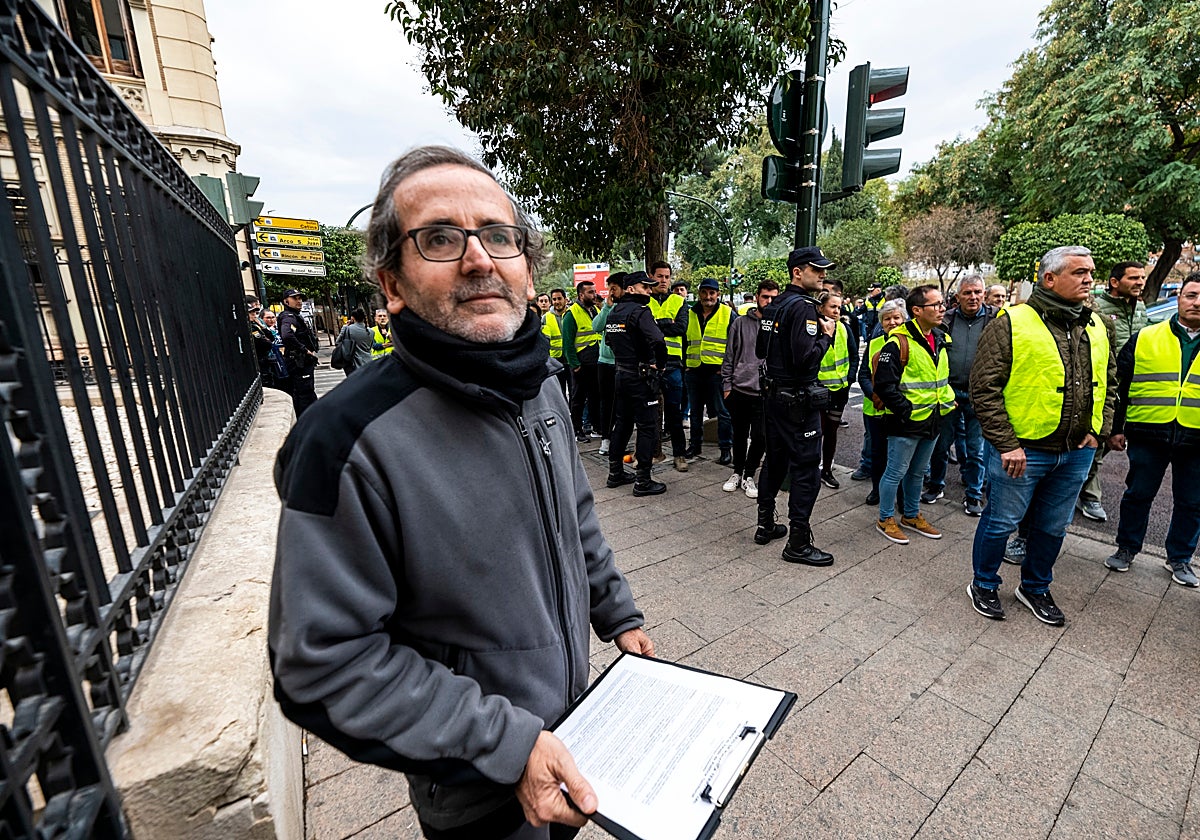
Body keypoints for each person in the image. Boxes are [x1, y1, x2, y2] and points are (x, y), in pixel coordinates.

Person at [270, 146, 653, 838]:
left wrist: (617, 611)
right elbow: (322, 663)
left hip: (572, 732)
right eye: (440, 238)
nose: (479, 259)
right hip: (476, 785)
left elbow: (576, 516)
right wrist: (505, 745)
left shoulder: (541, 385)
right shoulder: (344, 439)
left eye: (499, 237)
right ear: (392, 284)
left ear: (527, 270)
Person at [968, 245, 1115, 626]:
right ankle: (984, 583)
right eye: (1079, 272)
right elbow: (984, 389)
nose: (1089, 279)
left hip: (1076, 451)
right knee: (1002, 521)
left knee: (1052, 526)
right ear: (1049, 278)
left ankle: (1034, 587)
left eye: (1090, 271)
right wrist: (1007, 444)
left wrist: (1099, 430)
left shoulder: (1098, 324)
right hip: (1022, 451)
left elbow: (1110, 384)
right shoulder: (1011, 321)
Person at [1104, 273, 1200, 587]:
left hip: (1196, 439)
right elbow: (1119, 384)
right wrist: (1116, 427)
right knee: (1138, 494)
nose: (1197, 303)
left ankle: (1180, 559)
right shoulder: (1147, 336)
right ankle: (1127, 548)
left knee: (1192, 502)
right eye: (1191, 295)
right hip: (1150, 432)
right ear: (1179, 299)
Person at [754, 246, 836, 566]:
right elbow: (806, 359)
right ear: (797, 273)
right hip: (797, 403)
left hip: (774, 398)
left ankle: (765, 525)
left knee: (774, 461)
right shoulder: (803, 308)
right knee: (805, 470)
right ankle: (798, 543)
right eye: (817, 269)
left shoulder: (774, 305)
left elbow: (762, 348)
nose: (823, 275)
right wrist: (826, 336)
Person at [872, 285, 954, 544]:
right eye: (935, 305)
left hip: (933, 417)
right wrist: (905, 411)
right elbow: (884, 386)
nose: (942, 309)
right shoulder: (897, 342)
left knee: (918, 472)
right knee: (895, 471)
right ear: (917, 310)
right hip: (906, 421)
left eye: (942, 303)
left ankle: (911, 515)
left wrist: (947, 402)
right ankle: (885, 518)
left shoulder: (940, 338)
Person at [1077, 261, 1149, 522]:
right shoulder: (1095, 308)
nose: (1140, 282)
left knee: (1112, 441)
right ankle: (1089, 497)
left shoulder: (1140, 307)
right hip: (1103, 385)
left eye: (1142, 278)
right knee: (1097, 441)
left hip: (1131, 388)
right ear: (1115, 282)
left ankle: (1079, 485)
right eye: (1133, 278)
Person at [923, 274, 996, 516]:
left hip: (980, 395)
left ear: (983, 295)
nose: (973, 297)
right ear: (958, 297)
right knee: (941, 445)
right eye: (967, 293)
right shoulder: (946, 320)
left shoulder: (996, 320)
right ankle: (936, 485)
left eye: (977, 292)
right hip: (949, 393)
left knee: (976, 450)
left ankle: (974, 495)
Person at [605, 271, 669, 496]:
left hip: (621, 375)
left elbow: (609, 341)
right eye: (645, 287)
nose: (649, 291)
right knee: (647, 427)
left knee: (622, 423)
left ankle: (615, 473)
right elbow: (658, 340)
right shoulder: (641, 311)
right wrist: (660, 364)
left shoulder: (614, 312)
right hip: (640, 377)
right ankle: (643, 480)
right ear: (631, 289)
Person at [721, 280, 779, 498]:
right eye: (766, 297)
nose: (769, 301)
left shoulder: (779, 325)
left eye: (774, 297)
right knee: (739, 434)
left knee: (761, 436)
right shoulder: (740, 324)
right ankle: (736, 472)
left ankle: (749, 474)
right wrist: (727, 386)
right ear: (757, 297)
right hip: (740, 390)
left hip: (765, 393)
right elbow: (729, 356)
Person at [859, 298, 907, 505]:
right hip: (876, 410)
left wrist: (894, 401)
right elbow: (863, 375)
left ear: (904, 319)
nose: (892, 322)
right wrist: (875, 396)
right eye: (887, 318)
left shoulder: (911, 344)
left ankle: (902, 496)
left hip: (900, 411)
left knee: (902, 457)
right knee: (878, 454)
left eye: (896, 317)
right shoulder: (875, 343)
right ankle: (877, 491)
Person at [684, 277, 734, 464]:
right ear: (699, 294)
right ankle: (695, 445)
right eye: (704, 292)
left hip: (716, 373)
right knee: (695, 412)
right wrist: (685, 365)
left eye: (712, 293)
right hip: (694, 371)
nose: (708, 296)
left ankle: (725, 449)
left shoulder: (727, 313)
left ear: (718, 294)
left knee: (723, 412)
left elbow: (734, 344)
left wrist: (726, 369)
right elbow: (683, 340)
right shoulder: (689, 313)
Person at [647, 260, 689, 471]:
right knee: (648, 413)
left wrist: (656, 324)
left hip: (673, 364)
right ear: (651, 276)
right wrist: (667, 323)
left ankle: (679, 455)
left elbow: (681, 328)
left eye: (667, 277)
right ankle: (649, 454)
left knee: (675, 413)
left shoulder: (679, 301)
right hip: (651, 364)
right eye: (659, 276)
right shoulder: (644, 301)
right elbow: (643, 329)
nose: (663, 280)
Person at [816, 287, 857, 489]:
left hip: (840, 390)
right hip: (818, 391)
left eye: (839, 307)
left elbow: (854, 355)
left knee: (831, 431)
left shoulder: (844, 328)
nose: (837, 311)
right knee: (818, 431)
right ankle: (811, 468)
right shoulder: (813, 328)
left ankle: (827, 470)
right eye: (832, 307)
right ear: (821, 307)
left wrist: (850, 378)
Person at [562, 280, 602, 442]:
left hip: (596, 362)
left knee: (595, 397)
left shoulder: (595, 310)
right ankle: (577, 430)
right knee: (578, 398)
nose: (594, 295)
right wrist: (575, 365)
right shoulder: (572, 314)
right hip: (581, 364)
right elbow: (568, 343)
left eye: (594, 291)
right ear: (581, 295)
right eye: (590, 292)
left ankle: (596, 427)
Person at [593, 273, 626, 456]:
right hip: (605, 363)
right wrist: (606, 307)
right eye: (609, 288)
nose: (611, 292)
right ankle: (606, 438)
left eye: (614, 288)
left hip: (623, 364)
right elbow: (596, 327)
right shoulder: (608, 307)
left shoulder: (629, 308)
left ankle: (620, 438)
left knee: (622, 404)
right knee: (606, 403)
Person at [276, 288, 320, 416]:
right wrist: (305, 350)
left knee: (306, 392)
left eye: (300, 298)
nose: (299, 301)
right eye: (295, 298)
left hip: (302, 362)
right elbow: (287, 335)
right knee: (304, 394)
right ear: (286, 301)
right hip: (298, 362)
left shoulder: (294, 316)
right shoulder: (288, 317)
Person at [543, 288, 570, 399]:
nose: (557, 302)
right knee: (559, 392)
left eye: (559, 298)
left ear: (565, 299)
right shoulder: (546, 317)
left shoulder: (572, 314)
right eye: (554, 299)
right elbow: (544, 340)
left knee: (575, 391)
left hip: (572, 359)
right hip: (555, 360)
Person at [335, 308, 374, 375]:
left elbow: (338, 342)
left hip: (354, 364)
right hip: (369, 363)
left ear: (352, 318)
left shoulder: (348, 329)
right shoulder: (371, 331)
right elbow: (370, 346)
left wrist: (345, 327)